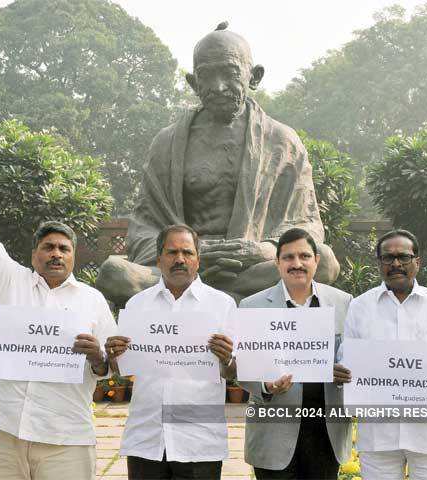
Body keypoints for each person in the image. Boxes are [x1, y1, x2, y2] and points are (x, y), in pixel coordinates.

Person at [98, 22, 339, 306]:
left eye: (230, 73)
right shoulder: (167, 144)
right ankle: (227, 297)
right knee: (114, 273)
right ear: (192, 82)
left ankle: (215, 296)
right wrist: (188, 252)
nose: (218, 87)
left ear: (254, 76)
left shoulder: (282, 141)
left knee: (325, 262)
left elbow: (308, 225)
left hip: (252, 267)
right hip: (183, 269)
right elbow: (144, 228)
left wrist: (262, 250)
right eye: (206, 76)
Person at [0, 131, 117, 480]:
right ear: (34, 255)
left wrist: (98, 357)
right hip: (5, 431)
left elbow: (110, 364)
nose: (56, 253)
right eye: (48, 247)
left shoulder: (92, 301)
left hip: (66, 436)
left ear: (74, 257)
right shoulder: (11, 281)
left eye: (64, 248)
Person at [105, 224, 236, 479]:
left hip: (199, 440)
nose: (179, 259)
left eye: (187, 252)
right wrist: (114, 355)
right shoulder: (137, 304)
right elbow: (124, 368)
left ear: (198, 259)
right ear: (158, 259)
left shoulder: (222, 304)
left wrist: (227, 358)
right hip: (147, 438)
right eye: (172, 252)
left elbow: (234, 371)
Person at [337, 229, 427, 480]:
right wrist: (341, 370)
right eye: (388, 257)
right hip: (378, 435)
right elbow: (347, 358)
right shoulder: (359, 306)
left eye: (404, 257)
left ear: (417, 261)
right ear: (379, 264)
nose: (396, 263)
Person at [233, 228, 352, 479]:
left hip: (326, 432)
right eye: (288, 257)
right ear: (277, 263)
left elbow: (353, 357)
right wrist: (265, 385)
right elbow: (243, 366)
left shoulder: (343, 302)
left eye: (304, 256)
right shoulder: (252, 306)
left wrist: (347, 371)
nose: (297, 264)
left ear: (316, 261)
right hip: (273, 430)